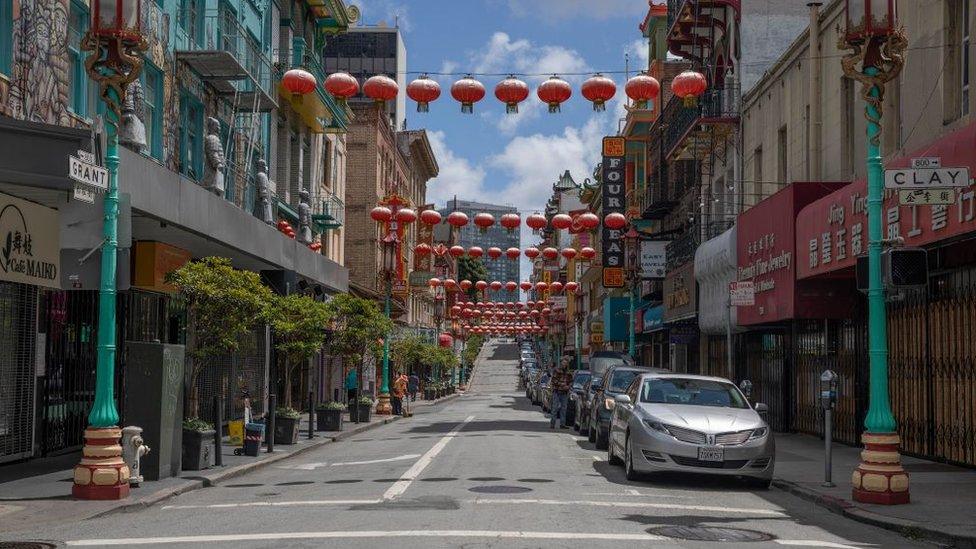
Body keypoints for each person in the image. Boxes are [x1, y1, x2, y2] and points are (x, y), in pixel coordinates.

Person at [549, 357, 573, 429]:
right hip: (557, 392)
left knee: (564, 409)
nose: (564, 364)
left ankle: (562, 424)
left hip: (564, 393)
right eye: (563, 362)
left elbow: (571, 381)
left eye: (566, 363)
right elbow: (554, 381)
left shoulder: (568, 372)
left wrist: (568, 386)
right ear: (561, 363)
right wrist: (563, 385)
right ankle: (552, 423)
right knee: (555, 408)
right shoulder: (557, 370)